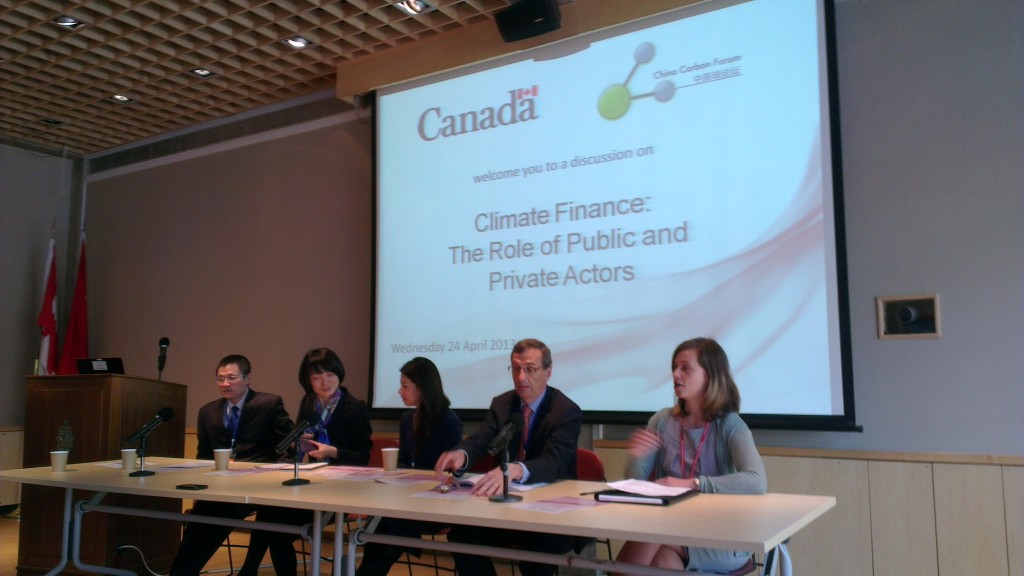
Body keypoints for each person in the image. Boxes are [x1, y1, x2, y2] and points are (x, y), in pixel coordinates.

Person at [613, 337, 767, 576]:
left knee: (653, 537)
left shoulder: (729, 424)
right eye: (674, 367)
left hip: (721, 535)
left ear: (710, 375)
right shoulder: (662, 421)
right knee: (662, 560)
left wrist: (691, 484)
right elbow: (636, 486)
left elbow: (756, 480)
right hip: (672, 528)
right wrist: (636, 458)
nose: (675, 374)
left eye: (685, 368)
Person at [434, 338, 582, 576]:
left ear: (548, 372)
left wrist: (516, 469)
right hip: (506, 511)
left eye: (530, 369)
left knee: (537, 553)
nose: (521, 377)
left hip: (550, 513)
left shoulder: (565, 411)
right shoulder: (503, 404)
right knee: (463, 536)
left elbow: (553, 461)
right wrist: (461, 454)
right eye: (516, 369)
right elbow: (482, 439)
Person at [239, 347, 373, 575]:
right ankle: (249, 570)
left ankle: (248, 571)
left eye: (330, 374)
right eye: (316, 376)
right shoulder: (309, 403)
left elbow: (363, 457)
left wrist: (333, 452)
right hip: (310, 485)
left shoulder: (354, 407)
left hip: (340, 490)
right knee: (269, 516)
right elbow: (298, 440)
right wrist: (297, 444)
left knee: (273, 524)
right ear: (307, 380)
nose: (324, 381)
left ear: (339, 374)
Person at [169, 355, 295, 576]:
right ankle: (182, 572)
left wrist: (276, 475)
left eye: (231, 378)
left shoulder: (268, 404)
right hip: (222, 485)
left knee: (215, 512)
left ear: (248, 378)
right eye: (220, 379)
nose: (225, 384)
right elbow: (204, 455)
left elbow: (289, 444)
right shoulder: (208, 412)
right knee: (201, 517)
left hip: (259, 484)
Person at [356, 356, 463, 576]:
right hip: (405, 500)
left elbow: (454, 472)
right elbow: (404, 461)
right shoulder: (407, 419)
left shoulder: (449, 421)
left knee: (387, 525)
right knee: (382, 524)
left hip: (435, 503)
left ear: (423, 388)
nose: (399, 391)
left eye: (404, 386)